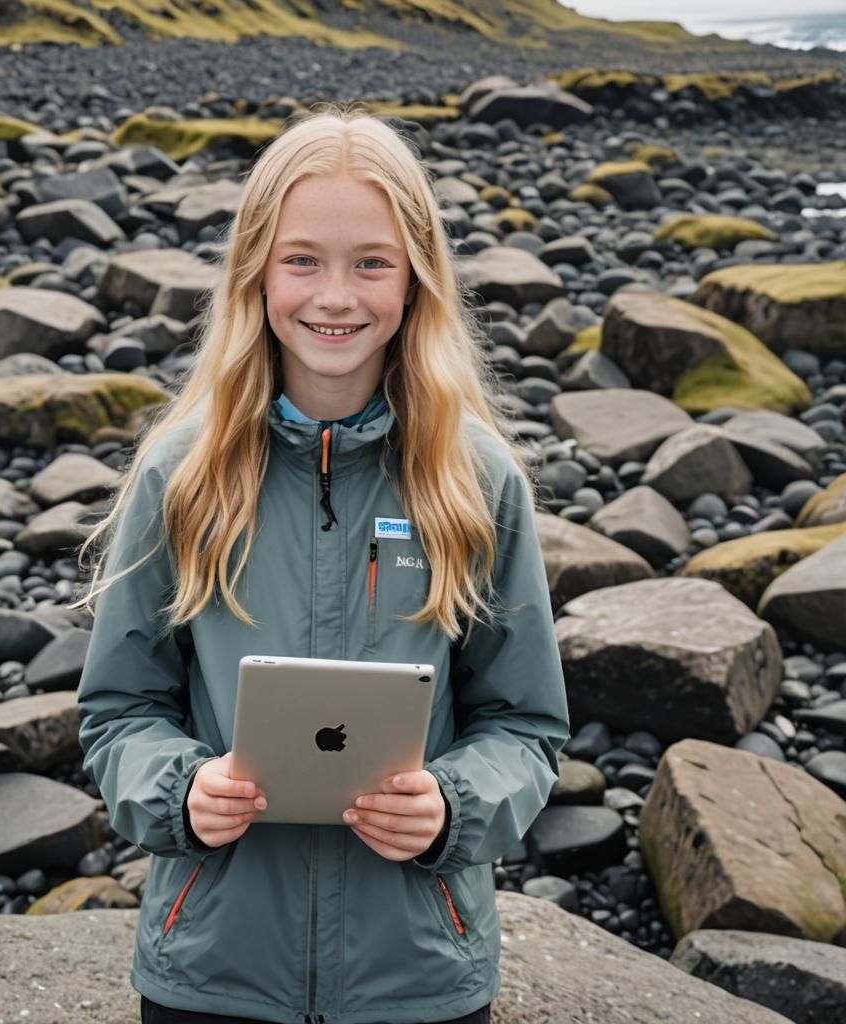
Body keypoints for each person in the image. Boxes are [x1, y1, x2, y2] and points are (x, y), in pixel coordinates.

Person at [74, 105, 570, 1024]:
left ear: (418, 279)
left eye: (371, 263)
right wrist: (180, 790)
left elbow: (526, 724)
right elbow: (118, 711)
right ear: (254, 271)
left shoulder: (478, 479)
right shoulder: (182, 473)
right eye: (302, 260)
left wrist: (453, 808)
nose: (335, 296)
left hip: (418, 979)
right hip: (212, 975)